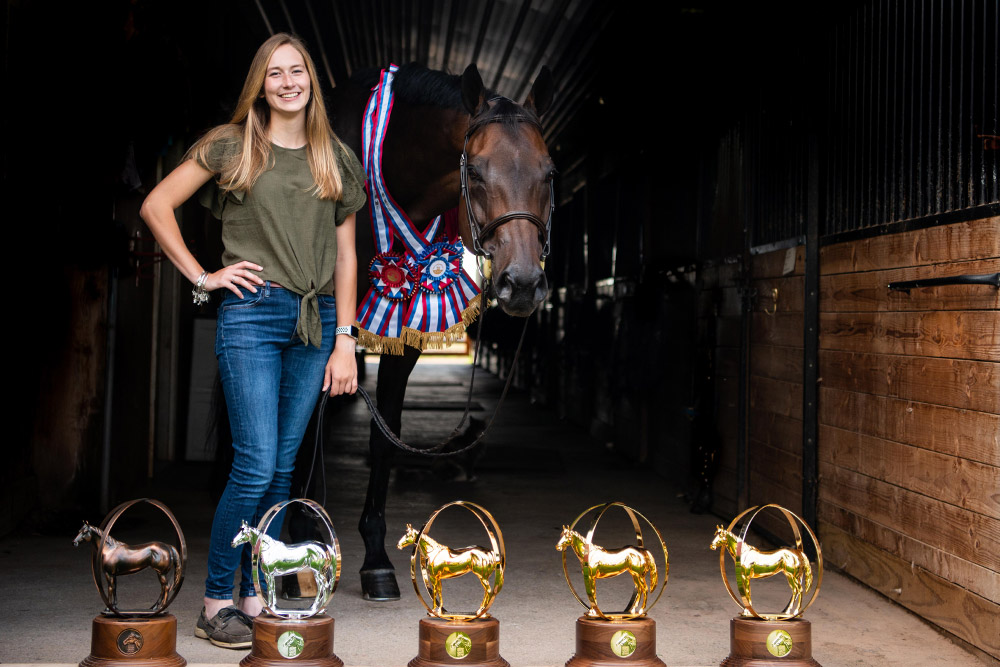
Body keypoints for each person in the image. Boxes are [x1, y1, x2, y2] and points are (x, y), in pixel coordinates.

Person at [140, 33, 364, 649]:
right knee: (256, 462)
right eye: (274, 74)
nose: (288, 82)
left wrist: (346, 338)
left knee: (281, 471)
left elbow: (346, 257)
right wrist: (204, 277)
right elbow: (156, 205)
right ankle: (216, 601)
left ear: (311, 80)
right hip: (252, 314)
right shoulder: (232, 144)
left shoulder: (335, 157)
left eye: (297, 71)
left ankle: (251, 594)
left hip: (316, 321)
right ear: (259, 86)